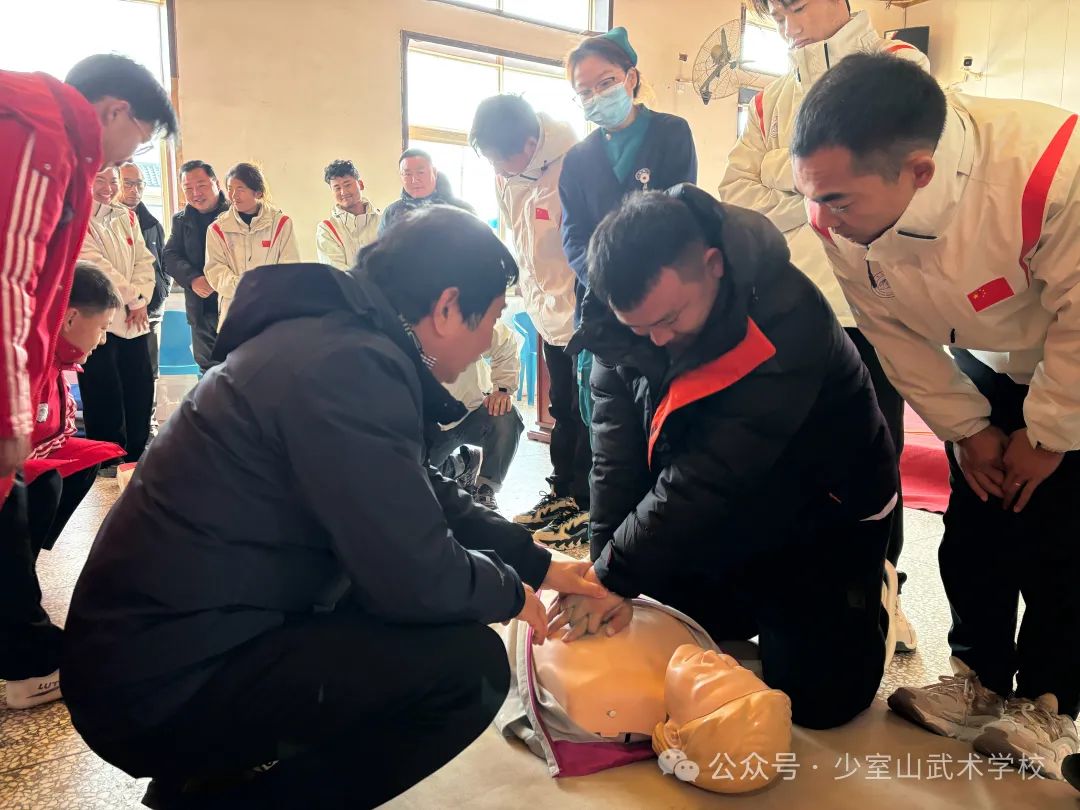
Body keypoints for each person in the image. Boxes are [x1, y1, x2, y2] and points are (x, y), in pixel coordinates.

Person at [61, 207, 608, 808]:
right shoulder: (349, 367)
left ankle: (206, 778)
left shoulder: (330, 343)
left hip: (155, 654)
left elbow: (417, 490)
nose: (491, 339)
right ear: (449, 307)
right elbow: (414, 574)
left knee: (400, 613)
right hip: (163, 684)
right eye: (495, 318)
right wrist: (512, 594)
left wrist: (540, 564)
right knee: (464, 670)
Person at [791, 53, 1080, 778]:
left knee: (1061, 527)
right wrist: (970, 430)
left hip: (1071, 359)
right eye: (812, 196)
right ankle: (979, 679)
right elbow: (891, 332)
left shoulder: (1054, 174)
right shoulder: (840, 211)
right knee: (978, 516)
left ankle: (1051, 705)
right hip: (989, 350)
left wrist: (1047, 436)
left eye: (838, 200)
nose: (820, 220)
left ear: (918, 172)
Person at [550, 185, 900, 731]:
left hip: (819, 513)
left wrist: (614, 576)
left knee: (818, 703)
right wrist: (602, 572)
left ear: (712, 266)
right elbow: (614, 461)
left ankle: (868, 591)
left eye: (668, 319)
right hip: (712, 506)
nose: (656, 339)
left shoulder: (786, 314)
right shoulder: (619, 326)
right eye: (640, 328)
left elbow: (710, 473)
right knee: (656, 643)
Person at [720, 0, 930, 654]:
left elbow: (878, 178)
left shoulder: (898, 64)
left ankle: (882, 590)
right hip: (783, 308)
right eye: (773, 8)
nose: (785, 16)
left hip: (870, 309)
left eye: (796, 3)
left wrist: (788, 178)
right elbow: (735, 194)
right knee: (783, 460)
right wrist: (814, 184)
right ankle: (787, 590)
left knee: (874, 460)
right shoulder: (770, 99)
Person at [0, 52, 176, 708]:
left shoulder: (60, 148)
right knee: (11, 492)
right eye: (142, 138)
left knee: (25, 487)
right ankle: (25, 657)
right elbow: (8, 277)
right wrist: (12, 411)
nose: (131, 157)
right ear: (116, 111)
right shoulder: (39, 133)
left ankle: (23, 646)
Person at [551, 25, 698, 547]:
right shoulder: (579, 159)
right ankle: (610, 560)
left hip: (667, 315)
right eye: (583, 91)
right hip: (606, 319)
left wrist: (645, 287)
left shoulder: (671, 133)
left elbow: (680, 213)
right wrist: (613, 286)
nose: (595, 97)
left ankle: (666, 557)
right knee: (611, 450)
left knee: (670, 441)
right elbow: (573, 239)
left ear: (632, 78)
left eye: (605, 82)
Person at [1, 263, 126, 708]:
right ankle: (26, 663)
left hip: (17, 461)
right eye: (102, 326)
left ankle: (20, 582)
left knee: (74, 464)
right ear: (71, 318)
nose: (104, 339)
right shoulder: (27, 358)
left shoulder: (51, 353)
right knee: (27, 491)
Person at [469, 94, 592, 540]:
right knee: (562, 408)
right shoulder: (505, 172)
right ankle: (562, 493)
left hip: (581, 313)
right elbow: (514, 236)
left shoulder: (574, 163)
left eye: (503, 159)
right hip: (545, 311)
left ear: (530, 141)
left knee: (588, 413)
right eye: (492, 162)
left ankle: (585, 504)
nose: (498, 170)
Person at [77, 166, 156, 469]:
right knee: (104, 395)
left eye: (113, 181)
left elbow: (144, 261)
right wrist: (134, 298)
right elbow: (97, 267)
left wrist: (142, 299)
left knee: (139, 391)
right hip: (101, 323)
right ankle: (107, 463)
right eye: (100, 180)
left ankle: (136, 460)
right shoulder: (80, 219)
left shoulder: (128, 216)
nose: (108, 187)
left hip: (135, 321)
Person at [428, 321, 523, 511]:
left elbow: (504, 340)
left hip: (469, 413)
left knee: (505, 416)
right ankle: (463, 463)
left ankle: (485, 489)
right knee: (411, 478)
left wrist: (503, 388)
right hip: (429, 428)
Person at [204, 162, 300, 326]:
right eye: (230, 189)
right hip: (234, 314)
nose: (234, 195)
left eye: (240, 189)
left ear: (258, 192)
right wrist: (242, 288)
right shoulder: (217, 229)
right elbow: (215, 270)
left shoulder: (281, 224)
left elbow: (289, 267)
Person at [163, 160, 229, 372]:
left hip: (232, 307)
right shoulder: (182, 220)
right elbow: (169, 256)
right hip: (201, 311)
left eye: (201, 185)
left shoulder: (235, 215)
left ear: (216, 183)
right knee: (208, 373)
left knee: (240, 371)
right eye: (188, 188)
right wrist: (192, 278)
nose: (195, 193)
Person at [117, 161, 168, 432]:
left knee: (149, 372)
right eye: (128, 183)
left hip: (150, 311)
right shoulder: (108, 223)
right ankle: (123, 431)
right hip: (117, 312)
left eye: (139, 184)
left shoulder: (152, 224)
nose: (134, 190)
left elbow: (158, 266)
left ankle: (145, 426)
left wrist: (157, 297)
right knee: (122, 373)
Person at [378, 149, 476, 235]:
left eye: (421, 172)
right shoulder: (391, 213)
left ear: (434, 172)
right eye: (407, 174)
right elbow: (382, 252)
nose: (414, 180)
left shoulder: (462, 209)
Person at [316, 159, 381, 270]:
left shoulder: (383, 220)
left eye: (347, 185)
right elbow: (336, 273)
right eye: (337, 188)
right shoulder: (327, 230)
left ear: (360, 184)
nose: (343, 192)